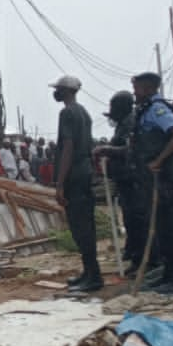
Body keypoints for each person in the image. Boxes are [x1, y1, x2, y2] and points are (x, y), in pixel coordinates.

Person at [52, 75, 103, 294]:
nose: (55, 93)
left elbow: (68, 148)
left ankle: (94, 277)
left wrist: (60, 183)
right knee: (86, 225)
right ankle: (89, 273)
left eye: (58, 89)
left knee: (80, 227)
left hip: (74, 175)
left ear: (65, 91)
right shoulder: (83, 112)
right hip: (84, 172)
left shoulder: (67, 112)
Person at [129, 72, 173, 294]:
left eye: (136, 88)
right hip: (152, 181)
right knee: (162, 229)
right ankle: (168, 274)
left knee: (170, 228)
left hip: (165, 180)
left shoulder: (158, 110)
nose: (134, 93)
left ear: (147, 88)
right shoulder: (144, 111)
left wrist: (159, 160)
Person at [95, 91, 147, 276]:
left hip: (133, 180)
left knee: (137, 221)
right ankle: (133, 254)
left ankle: (141, 261)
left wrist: (109, 150)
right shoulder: (123, 124)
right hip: (124, 180)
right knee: (129, 219)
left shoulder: (131, 123)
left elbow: (131, 149)